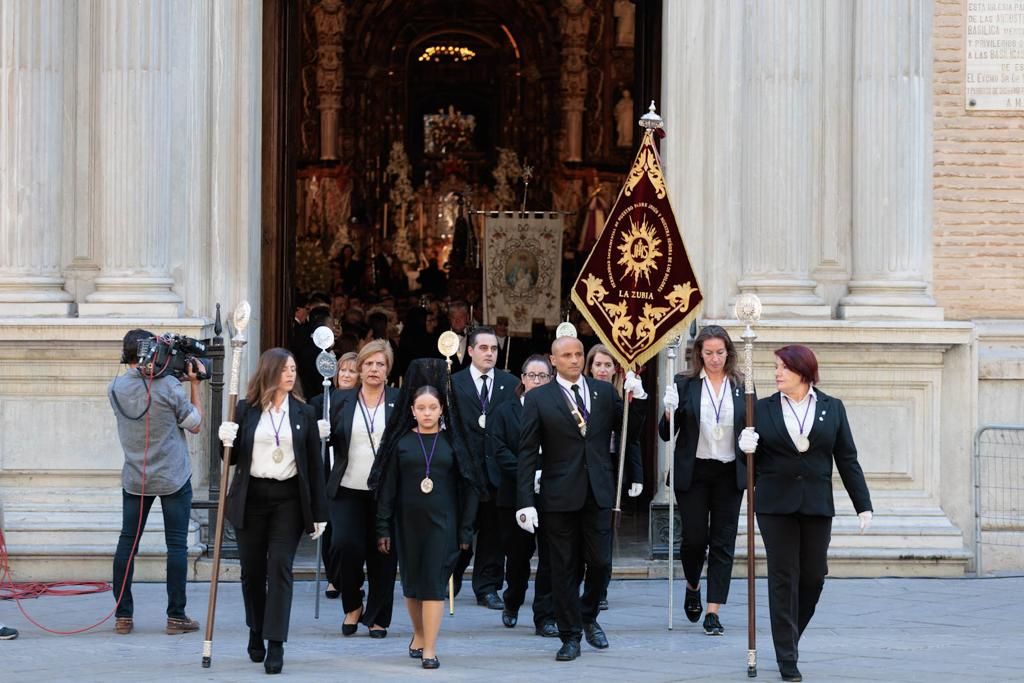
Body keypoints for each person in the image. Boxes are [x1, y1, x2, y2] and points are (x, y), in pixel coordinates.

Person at [738, 344, 873, 683]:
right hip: (774, 504)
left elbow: (847, 458)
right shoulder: (760, 408)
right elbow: (746, 465)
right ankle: (787, 657)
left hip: (816, 503)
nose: (777, 373)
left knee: (813, 575)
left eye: (784, 367)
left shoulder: (833, 408)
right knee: (783, 575)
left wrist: (863, 504)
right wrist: (745, 449)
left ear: (804, 372)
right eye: (775, 367)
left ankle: (789, 634)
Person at [515, 336, 646, 661]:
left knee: (601, 563)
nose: (574, 360)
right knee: (563, 568)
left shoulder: (603, 392)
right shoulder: (539, 398)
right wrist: (524, 501)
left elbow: (630, 430)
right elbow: (527, 451)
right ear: (553, 360)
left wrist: (638, 398)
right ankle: (570, 635)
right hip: (558, 495)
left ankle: (588, 615)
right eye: (566, 355)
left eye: (577, 354)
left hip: (598, 491)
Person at [217, 348, 329, 675]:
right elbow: (231, 459)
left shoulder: (304, 413)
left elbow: (314, 466)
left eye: (293, 369)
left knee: (280, 566)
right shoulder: (245, 409)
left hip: (288, 499)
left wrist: (319, 511)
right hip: (251, 496)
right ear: (269, 372)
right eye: (284, 370)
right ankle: (256, 628)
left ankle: (276, 642)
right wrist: (224, 438)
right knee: (252, 572)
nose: (291, 374)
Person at [372, 360, 484, 670]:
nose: (426, 413)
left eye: (432, 407)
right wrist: (383, 527)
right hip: (406, 525)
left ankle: (430, 649)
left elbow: (470, 488)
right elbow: (387, 489)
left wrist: (465, 531)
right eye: (420, 407)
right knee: (412, 585)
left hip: (443, 525)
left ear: (441, 409)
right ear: (411, 410)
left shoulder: (453, 444)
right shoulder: (400, 444)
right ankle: (419, 633)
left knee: (434, 584)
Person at [108, 329, 203, 636]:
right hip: (173, 477)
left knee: (127, 543)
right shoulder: (170, 387)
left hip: (136, 478)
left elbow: (140, 392)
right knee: (176, 546)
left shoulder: (116, 388)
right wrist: (195, 387)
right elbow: (196, 424)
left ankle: (123, 616)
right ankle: (176, 617)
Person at [659, 325, 751, 636]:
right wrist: (669, 413)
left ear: (729, 353)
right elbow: (666, 434)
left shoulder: (742, 383)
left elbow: (753, 425)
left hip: (729, 472)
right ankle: (693, 583)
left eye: (720, 353)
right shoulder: (683, 383)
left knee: (723, 543)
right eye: (708, 353)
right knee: (695, 539)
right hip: (694, 471)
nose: (714, 359)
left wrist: (753, 442)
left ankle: (714, 610)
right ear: (699, 353)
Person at [322, 341, 399, 638]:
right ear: (360, 368)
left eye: (380, 364)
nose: (374, 369)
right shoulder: (341, 399)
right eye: (368, 364)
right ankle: (353, 604)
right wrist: (323, 434)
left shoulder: (397, 399)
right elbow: (330, 440)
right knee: (344, 545)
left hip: (386, 491)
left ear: (388, 369)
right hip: (347, 487)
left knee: (384, 553)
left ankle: (378, 616)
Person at [450, 326, 518, 608]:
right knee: (458, 531)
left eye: (493, 349)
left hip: (496, 472)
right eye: (484, 348)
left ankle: (487, 587)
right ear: (470, 351)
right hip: (463, 471)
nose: (489, 353)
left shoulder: (510, 382)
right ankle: (448, 577)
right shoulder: (453, 383)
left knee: (493, 534)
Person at [491, 354, 557, 636]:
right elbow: (498, 449)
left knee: (551, 557)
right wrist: (528, 473)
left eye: (543, 376)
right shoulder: (506, 411)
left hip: (553, 493)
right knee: (518, 556)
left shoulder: (559, 409)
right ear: (522, 378)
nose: (538, 381)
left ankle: (545, 616)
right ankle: (513, 600)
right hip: (516, 494)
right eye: (533, 376)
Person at [583, 344, 645, 612]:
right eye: (598, 364)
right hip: (583, 467)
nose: (603, 370)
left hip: (611, 466)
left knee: (605, 531)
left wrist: (637, 475)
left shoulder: (622, 393)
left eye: (608, 365)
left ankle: (601, 587)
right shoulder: (580, 392)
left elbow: (631, 438)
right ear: (590, 367)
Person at [309, 350, 359, 601]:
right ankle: (333, 577)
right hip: (326, 470)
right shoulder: (320, 401)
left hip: (353, 470)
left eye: (352, 370)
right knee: (327, 527)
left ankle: (352, 577)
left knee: (348, 531)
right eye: (343, 370)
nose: (347, 375)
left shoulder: (364, 401)